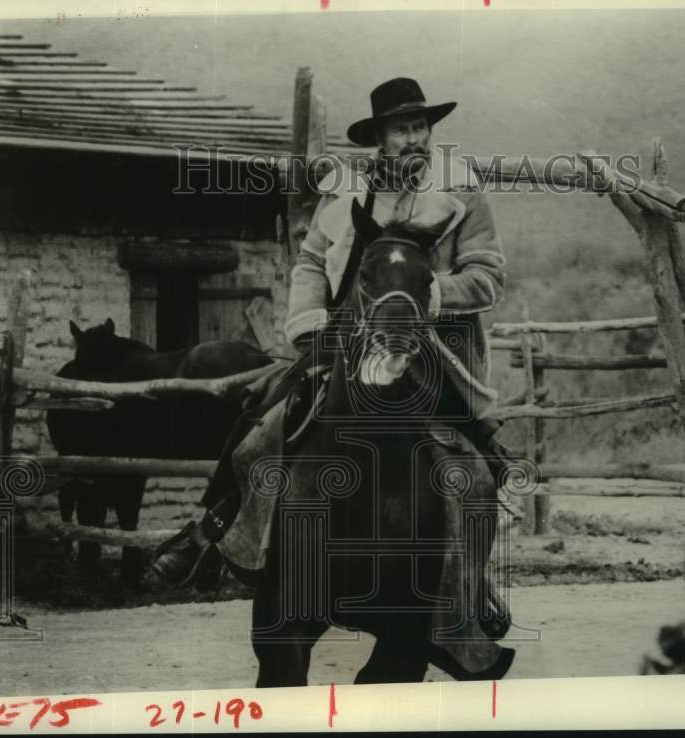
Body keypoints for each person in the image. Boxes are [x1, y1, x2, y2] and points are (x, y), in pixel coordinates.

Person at [152, 77, 517, 591]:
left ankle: (471, 589)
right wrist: (307, 320)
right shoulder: (349, 195)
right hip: (346, 338)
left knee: (477, 461)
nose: (413, 138)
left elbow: (487, 279)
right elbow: (310, 262)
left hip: (434, 345)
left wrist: (429, 296)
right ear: (380, 139)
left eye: (420, 127)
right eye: (400, 129)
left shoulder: (462, 192)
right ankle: (211, 535)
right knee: (263, 409)